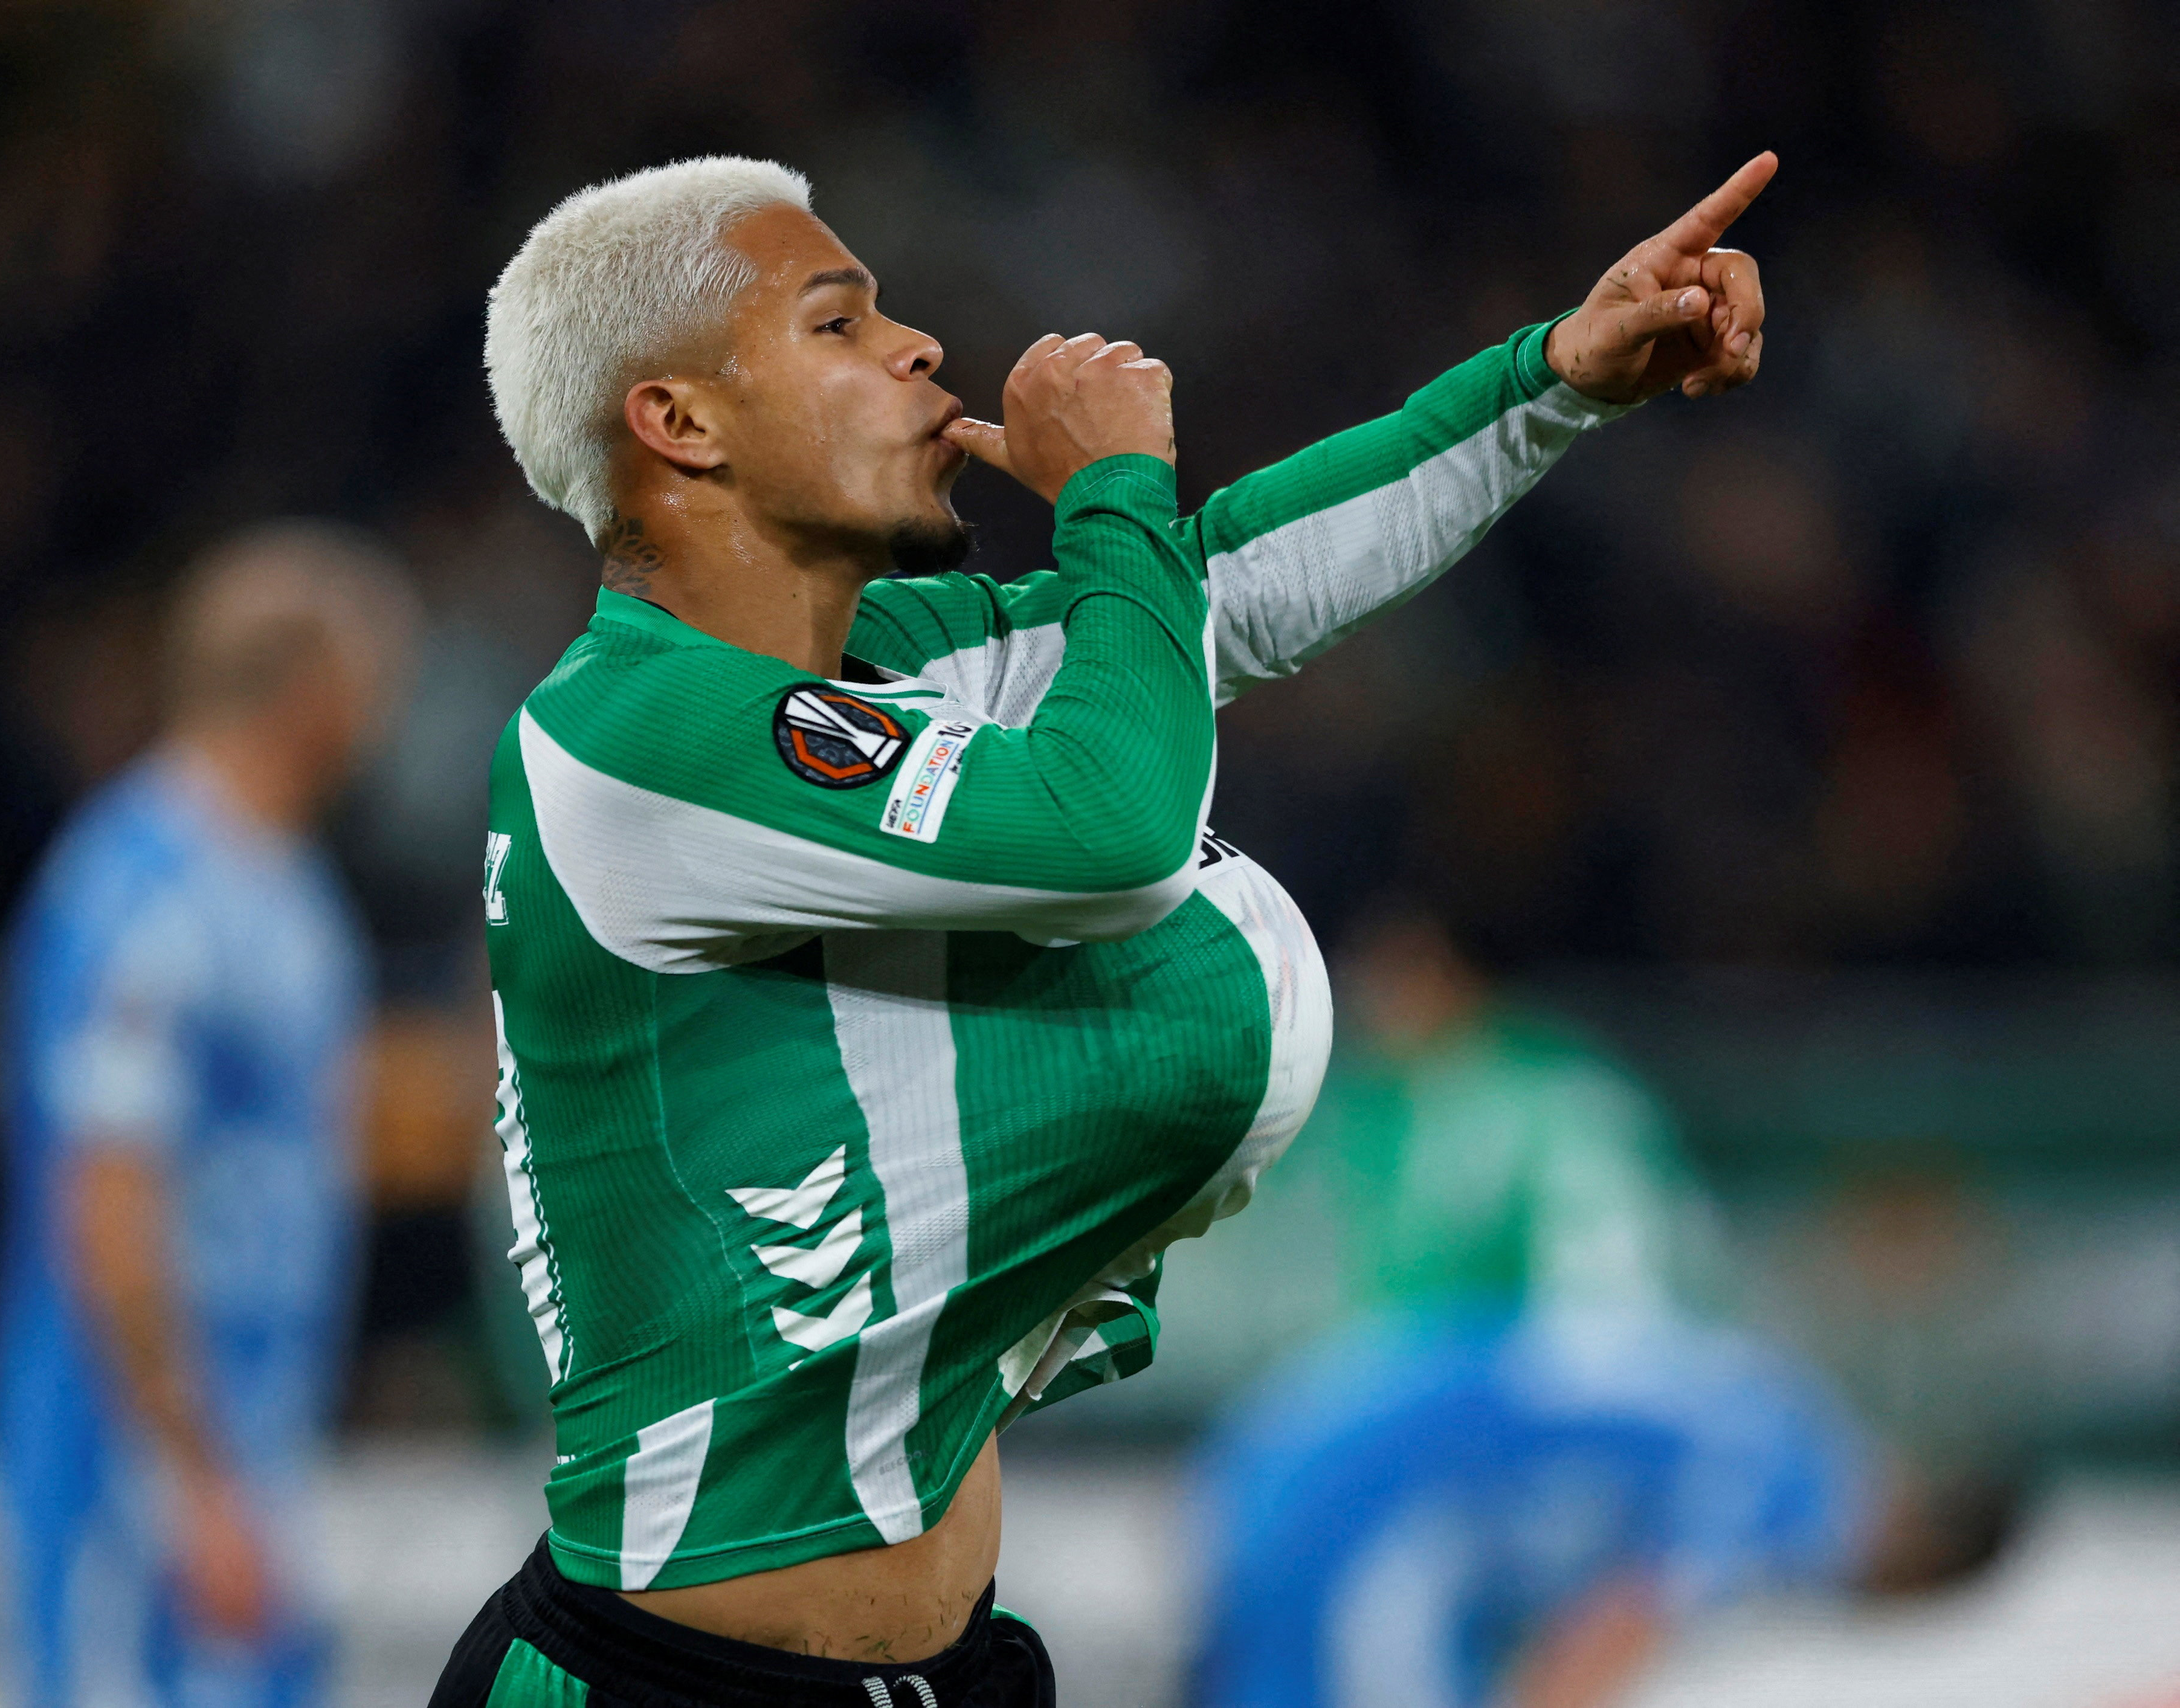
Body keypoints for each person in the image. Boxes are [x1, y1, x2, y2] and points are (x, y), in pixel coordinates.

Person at [435, 150, 1776, 1706]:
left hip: (946, 1666)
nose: (919, 348)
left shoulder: (879, 664)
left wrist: (1555, 375)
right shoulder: (631, 728)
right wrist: (1110, 494)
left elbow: (1226, 583)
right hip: (664, 1682)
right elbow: (1113, 831)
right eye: (836, 325)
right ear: (677, 424)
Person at [1187, 908, 2017, 1708]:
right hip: (1367, 1503)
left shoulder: (1773, 1408)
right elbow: (1617, 1628)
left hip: (1318, 1435)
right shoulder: (1788, 1496)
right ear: (1917, 1546)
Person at [0, 524, 418, 1708]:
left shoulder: (286, 887)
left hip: (255, 1437)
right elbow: (107, 1198)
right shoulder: (139, 886)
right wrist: (191, 1479)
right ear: (310, 685)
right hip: (131, 1459)